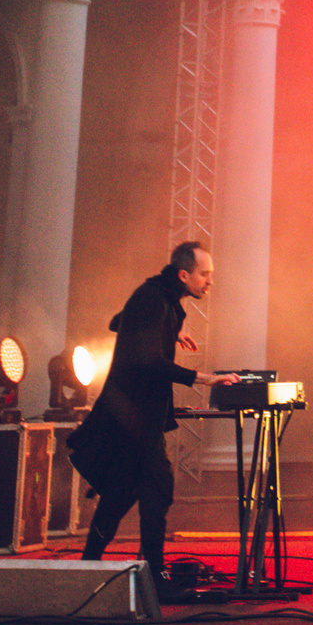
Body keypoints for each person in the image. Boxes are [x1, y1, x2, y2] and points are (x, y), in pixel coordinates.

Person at [73, 241, 223, 588]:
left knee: (124, 489)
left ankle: (93, 565)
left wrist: (172, 330)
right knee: (156, 484)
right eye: (205, 274)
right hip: (132, 413)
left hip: (138, 412)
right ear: (184, 274)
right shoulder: (152, 298)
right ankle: (153, 571)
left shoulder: (161, 300)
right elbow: (148, 361)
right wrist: (202, 378)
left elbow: (118, 321)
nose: (209, 281)